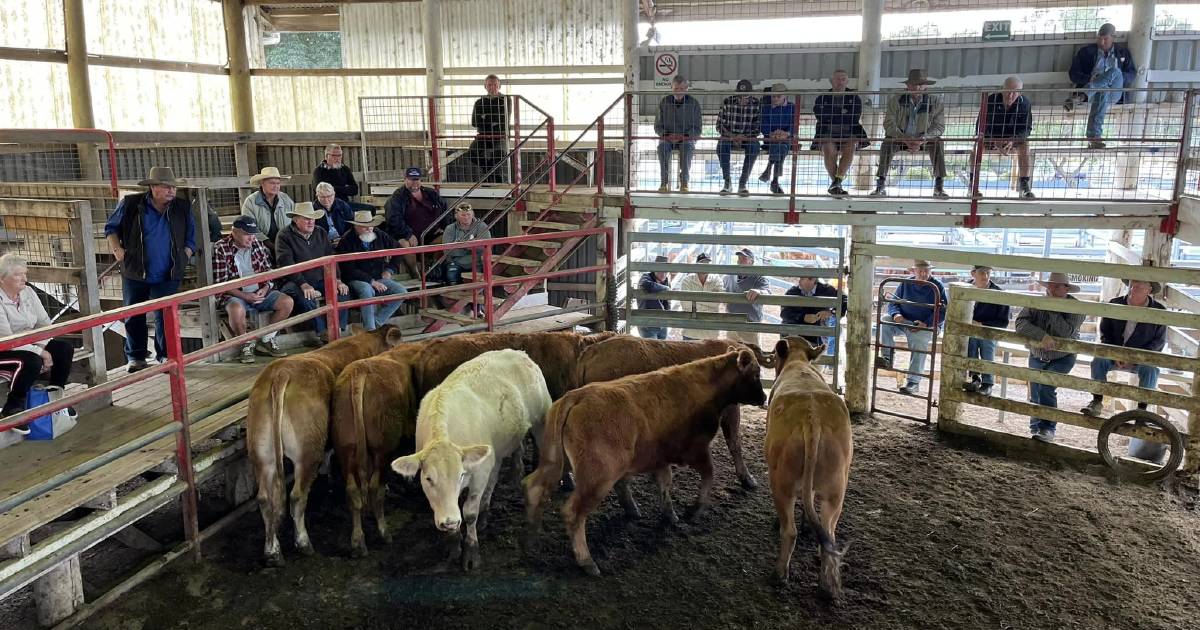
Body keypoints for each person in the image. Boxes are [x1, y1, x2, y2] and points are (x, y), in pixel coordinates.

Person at [104, 167, 196, 372]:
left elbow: (191, 237)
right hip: (136, 270)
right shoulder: (131, 204)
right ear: (153, 188)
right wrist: (117, 249)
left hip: (168, 271)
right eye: (166, 187)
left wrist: (185, 255)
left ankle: (165, 356)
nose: (172, 191)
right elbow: (111, 228)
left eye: (173, 187)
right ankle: (136, 357)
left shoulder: (182, 207)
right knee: (134, 314)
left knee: (165, 315)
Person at [0, 254, 75, 417]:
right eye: (17, 275)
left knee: (64, 349)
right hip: (4, 348)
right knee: (32, 361)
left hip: (28, 343)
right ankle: (12, 408)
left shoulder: (28, 292)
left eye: (25, 273)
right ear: (2, 279)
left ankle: (55, 398)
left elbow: (44, 323)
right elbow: (8, 340)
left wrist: (40, 346)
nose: (24, 279)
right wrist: (41, 352)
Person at [210, 217, 293, 363]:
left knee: (287, 302)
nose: (251, 238)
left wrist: (266, 287)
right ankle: (245, 344)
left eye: (253, 234)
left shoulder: (258, 245)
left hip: (259, 291)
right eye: (247, 234)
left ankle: (266, 338)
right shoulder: (221, 247)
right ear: (234, 232)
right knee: (236, 308)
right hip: (235, 293)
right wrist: (245, 295)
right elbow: (221, 283)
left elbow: (268, 272)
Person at [1015, 272, 1086, 443]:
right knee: (1036, 390)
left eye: (1056, 286)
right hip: (1037, 353)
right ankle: (1036, 427)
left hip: (1063, 356)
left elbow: (1066, 332)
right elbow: (1020, 323)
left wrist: (1051, 308)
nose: (1052, 289)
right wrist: (1042, 336)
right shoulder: (1036, 303)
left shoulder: (1077, 307)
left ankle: (1047, 429)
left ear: (1066, 288)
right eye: (1050, 286)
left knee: (1046, 387)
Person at [1082, 278, 1166, 417]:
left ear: (1149, 289)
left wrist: (1134, 359)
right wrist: (1115, 354)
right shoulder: (1115, 303)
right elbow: (1105, 332)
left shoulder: (1159, 310)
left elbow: (1158, 342)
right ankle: (1096, 401)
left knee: (1151, 369)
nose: (1135, 286)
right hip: (1115, 352)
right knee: (1099, 361)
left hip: (1141, 357)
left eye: (1141, 283)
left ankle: (1142, 411)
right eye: (1134, 282)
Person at [275, 202, 349, 344]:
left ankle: (338, 328)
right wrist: (303, 283)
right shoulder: (284, 235)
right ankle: (323, 332)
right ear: (296, 220)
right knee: (305, 297)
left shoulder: (320, 232)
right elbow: (286, 264)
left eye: (313, 218)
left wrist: (338, 279)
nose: (311, 222)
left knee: (342, 292)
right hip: (294, 281)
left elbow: (330, 257)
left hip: (320, 278)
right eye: (306, 218)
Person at [872, 69, 948, 199]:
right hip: (900, 138)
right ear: (907, 85)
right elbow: (889, 124)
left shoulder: (935, 102)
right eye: (913, 84)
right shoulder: (896, 100)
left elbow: (939, 126)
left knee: (938, 142)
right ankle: (881, 184)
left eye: (920, 84)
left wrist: (923, 138)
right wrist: (903, 138)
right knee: (887, 143)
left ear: (925, 86)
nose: (917, 87)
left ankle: (939, 186)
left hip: (923, 139)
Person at [876, 260, 948, 395]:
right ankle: (887, 358)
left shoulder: (937, 286)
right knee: (885, 320)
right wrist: (896, 314)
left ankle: (913, 382)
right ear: (913, 271)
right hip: (904, 321)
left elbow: (943, 311)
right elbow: (893, 302)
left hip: (927, 324)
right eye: (920, 270)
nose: (923, 273)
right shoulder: (906, 283)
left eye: (926, 270)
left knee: (919, 341)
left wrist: (926, 323)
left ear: (930, 271)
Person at [1065, 23, 1137, 149]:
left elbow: (1132, 74)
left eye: (1105, 39)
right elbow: (1073, 74)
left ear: (1113, 37)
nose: (1102, 42)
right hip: (1096, 93)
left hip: (1114, 90)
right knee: (1103, 90)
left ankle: (1080, 96)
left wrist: (1110, 77)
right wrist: (1090, 78)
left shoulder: (1122, 53)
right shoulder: (1086, 52)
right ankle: (1094, 138)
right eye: (1099, 38)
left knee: (1114, 71)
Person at [335, 210, 407, 331]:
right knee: (367, 290)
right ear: (356, 226)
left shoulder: (379, 234)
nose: (369, 229)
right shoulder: (346, 240)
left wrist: (390, 270)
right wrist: (371, 281)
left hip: (378, 276)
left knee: (401, 291)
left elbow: (399, 250)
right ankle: (370, 329)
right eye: (365, 226)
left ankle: (377, 321)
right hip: (355, 279)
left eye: (371, 225)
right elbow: (348, 269)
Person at [384, 167, 448, 277]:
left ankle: (434, 270)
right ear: (405, 179)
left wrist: (445, 226)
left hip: (431, 234)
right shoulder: (397, 198)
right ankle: (415, 274)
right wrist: (408, 234)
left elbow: (445, 210)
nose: (415, 182)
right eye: (411, 179)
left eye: (417, 179)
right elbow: (393, 219)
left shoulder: (431, 193)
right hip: (409, 236)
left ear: (421, 180)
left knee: (448, 237)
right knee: (404, 244)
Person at [812, 70, 868, 197]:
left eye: (843, 79)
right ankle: (837, 183)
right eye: (837, 79)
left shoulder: (854, 97)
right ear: (831, 81)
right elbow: (820, 116)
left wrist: (832, 113)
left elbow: (853, 117)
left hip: (850, 133)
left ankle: (836, 182)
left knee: (851, 146)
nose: (840, 82)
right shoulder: (822, 97)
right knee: (828, 148)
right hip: (827, 132)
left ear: (847, 81)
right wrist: (842, 112)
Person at [961, 265, 1010, 396]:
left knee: (985, 342)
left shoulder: (999, 293)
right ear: (973, 274)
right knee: (971, 340)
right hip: (970, 330)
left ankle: (988, 383)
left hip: (989, 331)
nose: (986, 276)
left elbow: (1003, 322)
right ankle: (975, 378)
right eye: (982, 273)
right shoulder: (965, 288)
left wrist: (982, 324)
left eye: (988, 273)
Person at [982, 77, 1035, 199]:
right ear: (1002, 90)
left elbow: (1026, 129)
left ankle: (1024, 184)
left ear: (1020, 93)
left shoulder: (1025, 103)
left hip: (1013, 139)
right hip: (992, 138)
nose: (1010, 95)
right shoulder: (991, 100)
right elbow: (981, 126)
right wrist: (994, 140)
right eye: (1008, 91)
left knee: (1025, 145)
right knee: (976, 147)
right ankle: (972, 184)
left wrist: (1012, 140)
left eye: (1015, 92)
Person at [654, 75, 703, 193]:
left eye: (682, 89)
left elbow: (698, 128)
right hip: (668, 137)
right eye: (676, 89)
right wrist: (666, 135)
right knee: (662, 147)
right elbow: (657, 125)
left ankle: (684, 182)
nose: (679, 91)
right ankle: (664, 183)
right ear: (671, 88)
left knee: (687, 148)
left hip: (686, 138)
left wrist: (685, 136)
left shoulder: (694, 104)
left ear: (687, 89)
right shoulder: (664, 102)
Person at [716, 79, 761, 196]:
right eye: (740, 96)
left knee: (755, 147)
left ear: (750, 95)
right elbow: (719, 125)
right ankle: (727, 182)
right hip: (730, 136)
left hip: (748, 137)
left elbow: (758, 127)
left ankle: (743, 183)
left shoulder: (757, 104)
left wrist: (744, 137)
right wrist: (732, 136)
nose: (742, 99)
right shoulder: (728, 102)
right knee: (721, 145)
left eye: (745, 97)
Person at [781, 274, 846, 348]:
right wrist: (802, 317)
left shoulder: (826, 290)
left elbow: (845, 299)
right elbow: (784, 313)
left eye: (802, 278)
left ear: (812, 280)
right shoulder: (792, 292)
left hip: (816, 337)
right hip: (795, 334)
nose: (799, 281)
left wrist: (831, 312)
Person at [724, 248, 769, 346]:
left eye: (744, 258)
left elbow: (767, 291)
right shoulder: (729, 277)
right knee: (731, 353)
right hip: (732, 323)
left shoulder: (758, 277)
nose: (740, 260)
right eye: (739, 258)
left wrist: (759, 291)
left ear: (751, 262)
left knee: (752, 354)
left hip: (750, 324)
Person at [469, 74, 509, 182]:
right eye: (490, 85)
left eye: (495, 85)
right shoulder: (479, 102)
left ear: (499, 86)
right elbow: (474, 122)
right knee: (472, 154)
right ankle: (493, 176)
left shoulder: (505, 100)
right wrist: (491, 120)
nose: (492, 87)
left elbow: (503, 119)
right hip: (483, 135)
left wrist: (484, 117)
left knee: (499, 155)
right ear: (485, 86)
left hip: (499, 135)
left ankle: (488, 178)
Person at [676, 252, 724, 341]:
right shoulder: (687, 280)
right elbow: (686, 306)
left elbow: (717, 302)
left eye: (707, 263)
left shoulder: (717, 280)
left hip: (710, 334)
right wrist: (709, 302)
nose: (705, 266)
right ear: (697, 265)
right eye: (702, 263)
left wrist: (694, 300)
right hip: (690, 332)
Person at [241, 166, 295, 244]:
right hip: (259, 244)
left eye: (278, 183)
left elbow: (294, 223)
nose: (276, 186)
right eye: (272, 183)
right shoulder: (250, 202)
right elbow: (250, 228)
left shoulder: (286, 199)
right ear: (262, 183)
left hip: (285, 243)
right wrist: (268, 244)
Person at [759, 83, 795, 195]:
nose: (775, 99)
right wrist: (772, 134)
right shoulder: (766, 108)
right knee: (781, 147)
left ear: (785, 96)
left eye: (778, 96)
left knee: (781, 146)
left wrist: (786, 133)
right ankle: (774, 181)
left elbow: (794, 124)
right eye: (773, 96)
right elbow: (763, 125)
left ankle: (769, 169)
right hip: (771, 139)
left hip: (786, 138)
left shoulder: (792, 107)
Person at [442, 203, 491, 285]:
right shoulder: (450, 228)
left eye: (468, 214)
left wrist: (460, 245)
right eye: (463, 215)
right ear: (456, 216)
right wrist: (470, 246)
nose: (466, 218)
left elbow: (486, 247)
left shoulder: (482, 226)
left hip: (477, 262)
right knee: (451, 277)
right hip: (456, 262)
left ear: (473, 214)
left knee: (479, 282)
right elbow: (447, 250)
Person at [637, 255, 673, 340]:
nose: (663, 274)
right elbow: (646, 285)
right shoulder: (646, 277)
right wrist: (665, 288)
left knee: (662, 350)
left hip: (662, 323)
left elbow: (667, 302)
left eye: (665, 271)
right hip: (647, 323)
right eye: (660, 270)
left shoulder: (666, 281)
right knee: (652, 350)